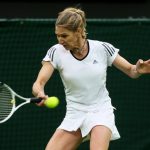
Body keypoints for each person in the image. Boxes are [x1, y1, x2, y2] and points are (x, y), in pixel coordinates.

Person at [32, 7, 150, 150]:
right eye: (58, 35)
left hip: (100, 111)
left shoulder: (102, 48)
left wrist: (138, 69)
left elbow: (131, 71)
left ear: (79, 31)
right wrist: (39, 92)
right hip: (74, 113)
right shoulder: (55, 51)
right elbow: (39, 82)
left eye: (64, 36)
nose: (60, 40)